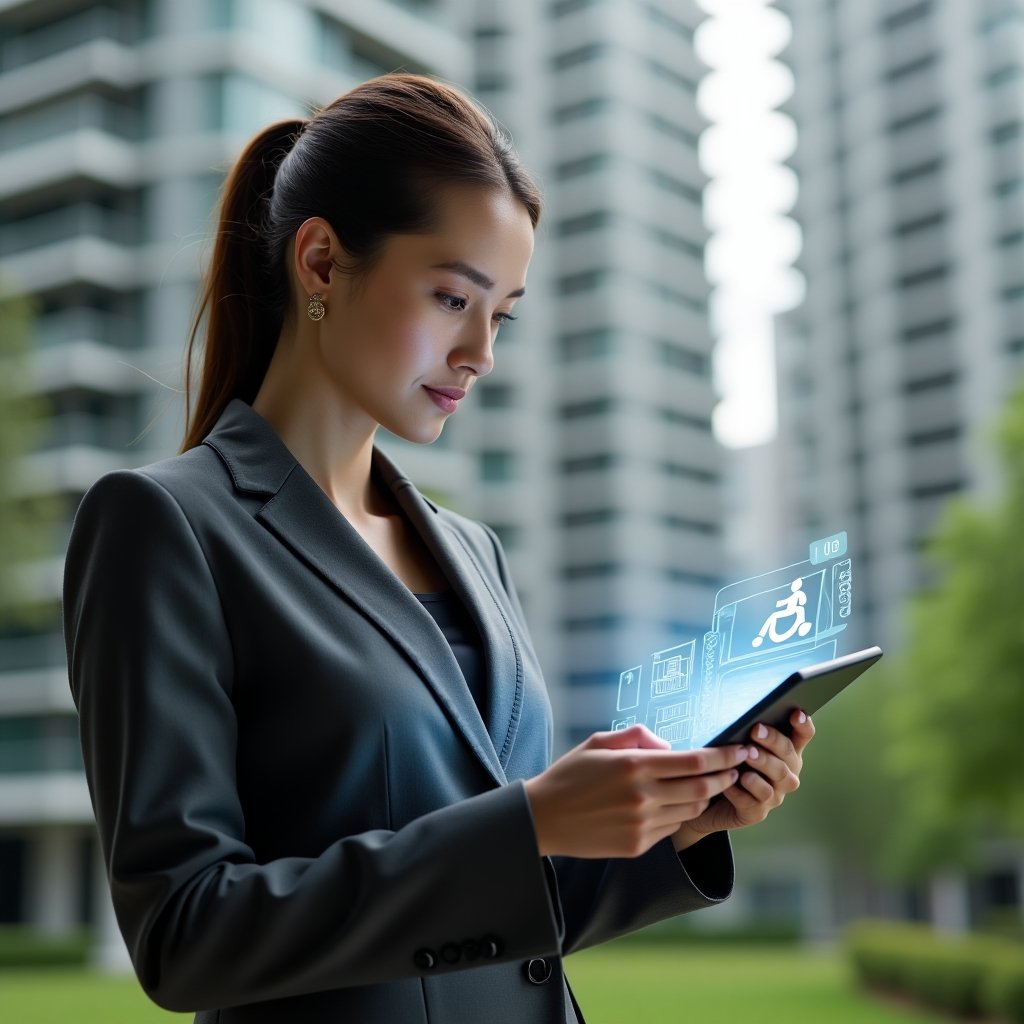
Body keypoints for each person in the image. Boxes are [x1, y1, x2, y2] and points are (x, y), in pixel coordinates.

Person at [62, 74, 814, 1024]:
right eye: (453, 297)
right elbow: (186, 934)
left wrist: (678, 826)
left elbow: (498, 923)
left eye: (501, 315)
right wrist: (529, 821)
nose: (480, 353)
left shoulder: (473, 552)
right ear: (322, 262)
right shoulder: (165, 525)